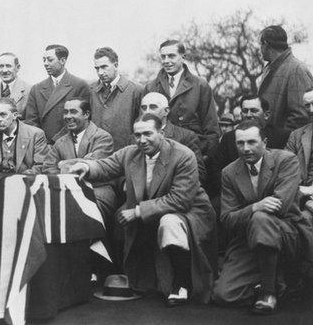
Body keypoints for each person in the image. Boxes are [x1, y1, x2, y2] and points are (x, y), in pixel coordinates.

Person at [68, 114, 216, 306]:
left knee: (169, 223)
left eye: (148, 134)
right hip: (155, 209)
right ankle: (147, 277)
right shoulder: (131, 153)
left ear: (161, 132)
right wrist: (86, 167)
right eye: (137, 135)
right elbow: (106, 166)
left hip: (190, 211)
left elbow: (180, 200)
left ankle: (182, 284)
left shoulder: (183, 155)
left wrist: (137, 211)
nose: (142, 140)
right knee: (133, 223)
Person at [213, 120, 313, 314]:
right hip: (248, 240)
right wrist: (254, 207)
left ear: (265, 142)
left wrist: (253, 212)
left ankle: (268, 293)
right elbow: (226, 219)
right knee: (223, 295)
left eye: (252, 142)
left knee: (261, 218)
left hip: (287, 233)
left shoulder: (286, 160)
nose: (246, 148)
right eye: (240, 143)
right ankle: (276, 281)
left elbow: (281, 205)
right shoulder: (229, 172)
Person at [41, 98, 116, 223]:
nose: (68, 116)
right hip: (65, 190)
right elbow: (48, 169)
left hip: (97, 190)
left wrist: (63, 164)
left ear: (86, 114)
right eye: (65, 112)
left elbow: (97, 165)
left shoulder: (102, 137)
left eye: (73, 112)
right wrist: (82, 161)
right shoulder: (60, 142)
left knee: (84, 212)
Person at [144, 40, 220, 157]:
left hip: (192, 150)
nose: (166, 61)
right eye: (163, 57)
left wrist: (207, 156)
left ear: (183, 57)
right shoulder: (151, 87)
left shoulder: (200, 85)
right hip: (160, 150)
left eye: (171, 56)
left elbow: (211, 127)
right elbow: (145, 122)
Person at [25, 44, 90, 143]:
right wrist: (41, 143)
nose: (45, 63)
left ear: (63, 61)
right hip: (42, 146)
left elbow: (84, 120)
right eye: (44, 60)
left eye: (50, 60)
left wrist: (57, 141)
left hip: (70, 144)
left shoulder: (79, 85)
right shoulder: (36, 89)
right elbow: (31, 122)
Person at [140, 92, 206, 182]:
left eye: (153, 107)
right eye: (144, 108)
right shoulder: (134, 138)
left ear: (166, 111)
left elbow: (198, 173)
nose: (147, 112)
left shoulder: (186, 137)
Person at [258, 25, 313, 132]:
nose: (260, 49)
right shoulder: (270, 68)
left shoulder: (296, 70)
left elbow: (301, 117)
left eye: (260, 44)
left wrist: (279, 141)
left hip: (284, 146)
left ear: (266, 44)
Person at [89, 47, 143, 151]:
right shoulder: (91, 91)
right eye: (97, 68)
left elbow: (141, 125)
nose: (100, 72)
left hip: (126, 154)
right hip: (96, 154)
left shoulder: (136, 90)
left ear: (116, 65)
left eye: (104, 67)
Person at [216, 95, 290, 169]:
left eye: (254, 111)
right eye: (245, 111)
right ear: (241, 114)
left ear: (266, 115)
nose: (248, 115)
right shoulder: (229, 139)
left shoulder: (282, 137)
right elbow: (218, 170)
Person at [0, 98, 47, 174]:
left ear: (15, 115)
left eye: (3, 114)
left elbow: (40, 166)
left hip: (25, 181)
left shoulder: (36, 134)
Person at [0, 52, 31, 124]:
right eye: (1, 66)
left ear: (18, 68)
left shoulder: (29, 91)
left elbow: (32, 123)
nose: (4, 70)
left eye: (8, 66)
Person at [285, 89, 313, 211]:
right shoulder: (296, 136)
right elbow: (285, 171)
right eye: (307, 105)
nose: (311, 110)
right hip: (303, 200)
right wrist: (306, 200)